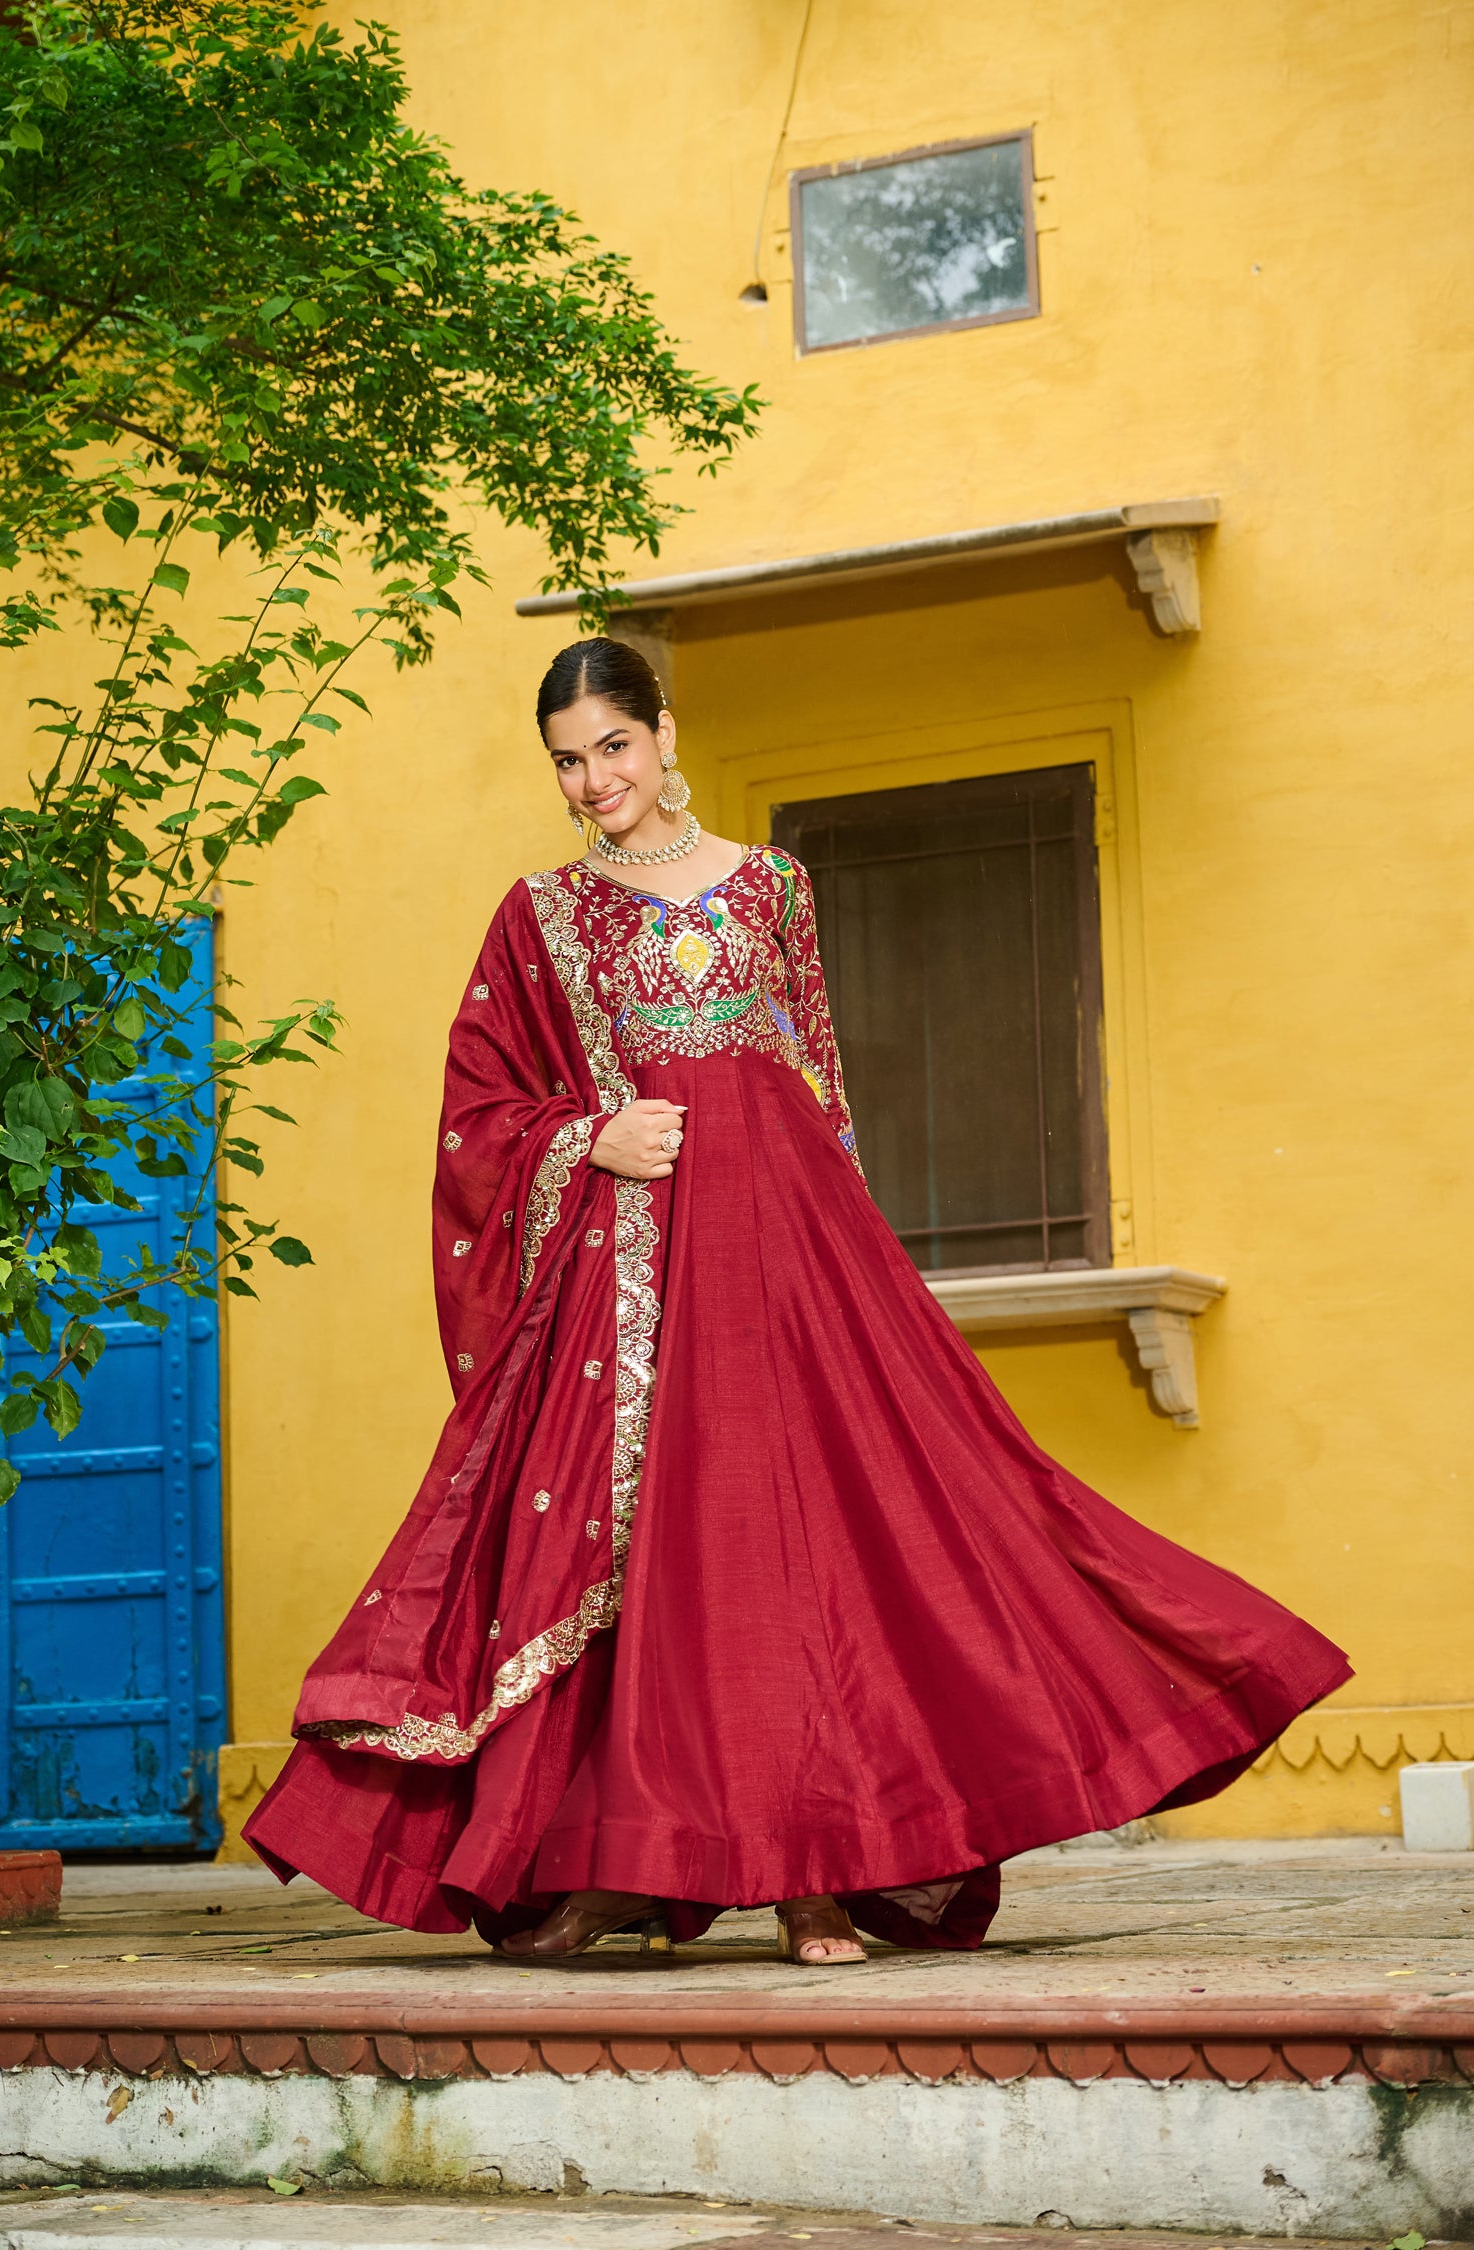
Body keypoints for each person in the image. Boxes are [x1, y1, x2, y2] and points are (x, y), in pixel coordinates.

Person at [246, 637, 1351, 1966]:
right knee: (664, 1559)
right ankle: (617, 1854)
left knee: (812, 1548)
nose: (593, 780)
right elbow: (475, 1111)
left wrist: (848, 1271)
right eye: (566, 760)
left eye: (611, 745)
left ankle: (815, 1875)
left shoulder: (772, 883)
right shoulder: (537, 914)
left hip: (791, 1254)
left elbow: (816, 1080)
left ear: (662, 734)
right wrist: (589, 1138)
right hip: (638, 1283)